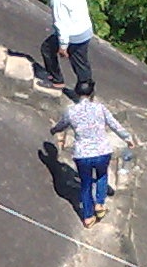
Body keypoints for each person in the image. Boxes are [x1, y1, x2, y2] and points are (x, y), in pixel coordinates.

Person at [53, 80, 132, 225]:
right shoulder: (100, 108)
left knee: (86, 184)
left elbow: (61, 125)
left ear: (77, 94)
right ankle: (100, 204)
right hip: (102, 152)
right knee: (102, 176)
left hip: (83, 154)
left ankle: (88, 217)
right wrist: (127, 138)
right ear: (92, 94)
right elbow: (114, 124)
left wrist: (54, 130)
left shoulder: (71, 111)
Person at [38, 0, 95, 92]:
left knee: (48, 50)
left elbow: (61, 24)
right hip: (85, 27)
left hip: (73, 34)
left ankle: (60, 82)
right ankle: (87, 89)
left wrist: (63, 47)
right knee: (81, 62)